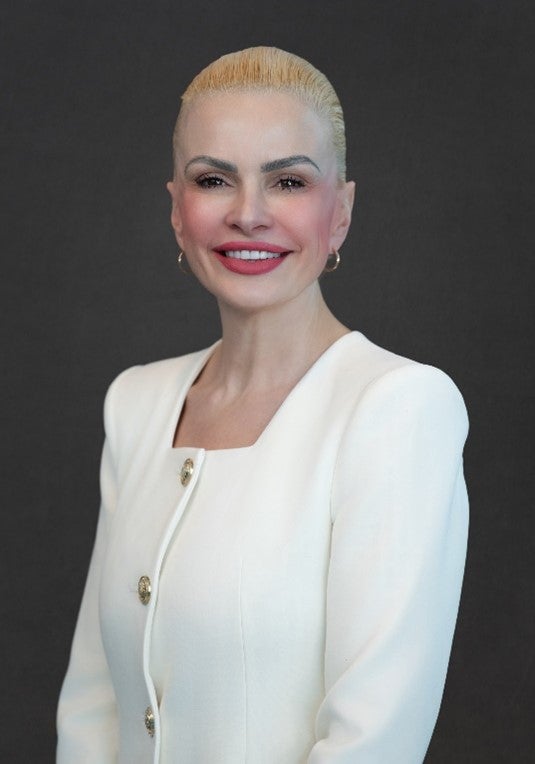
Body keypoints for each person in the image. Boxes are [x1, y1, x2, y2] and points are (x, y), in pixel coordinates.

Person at [56, 47, 469, 763]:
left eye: (287, 181)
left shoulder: (396, 408)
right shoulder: (137, 402)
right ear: (178, 213)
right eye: (213, 179)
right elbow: (93, 705)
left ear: (337, 212)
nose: (247, 214)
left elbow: (373, 741)